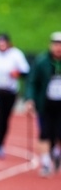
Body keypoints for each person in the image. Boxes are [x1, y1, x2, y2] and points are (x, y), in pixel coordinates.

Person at [0, 33, 30, 159]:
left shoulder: (16, 54)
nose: (2, 45)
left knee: (4, 118)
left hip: (9, 91)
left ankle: (0, 143)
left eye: (4, 42)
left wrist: (17, 73)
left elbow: (26, 70)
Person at [25, 31, 61, 177]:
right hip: (45, 104)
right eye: (56, 44)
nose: (58, 48)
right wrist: (30, 99)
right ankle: (46, 163)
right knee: (44, 132)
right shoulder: (42, 62)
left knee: (59, 133)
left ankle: (56, 152)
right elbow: (32, 82)